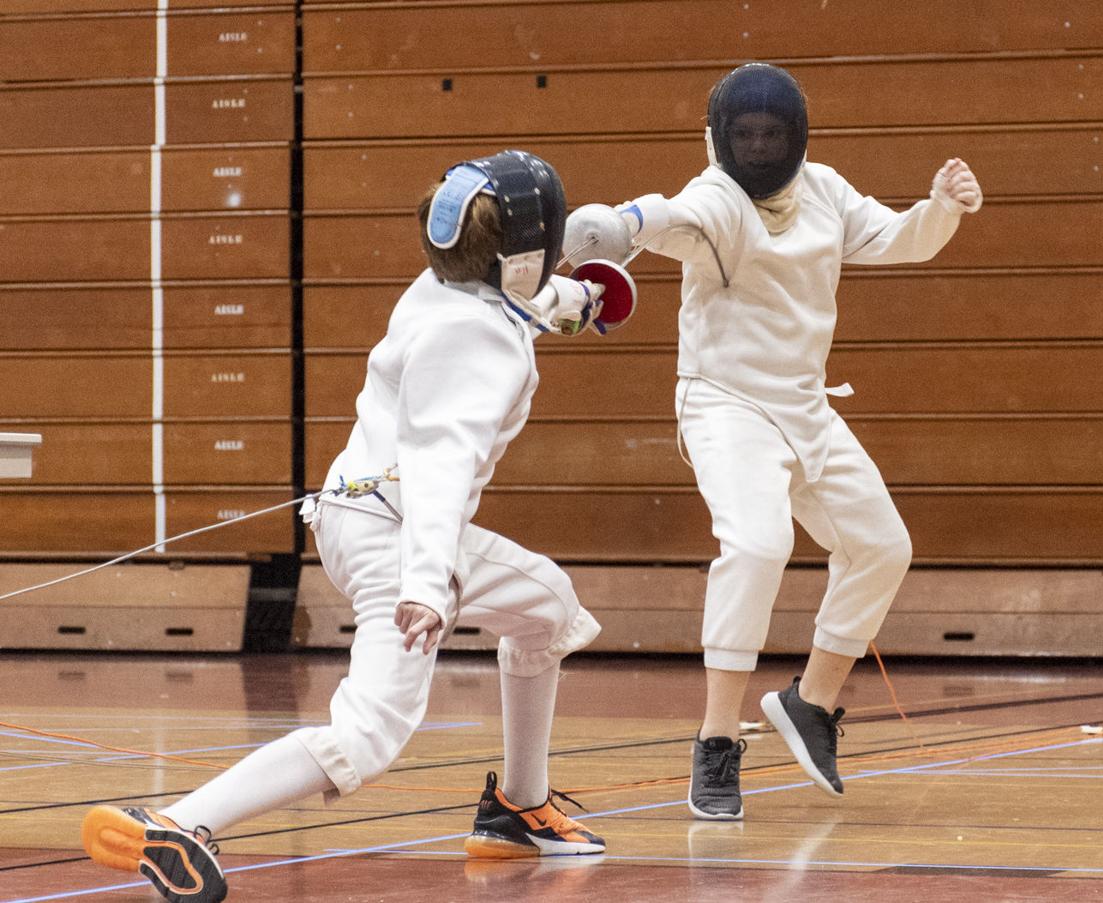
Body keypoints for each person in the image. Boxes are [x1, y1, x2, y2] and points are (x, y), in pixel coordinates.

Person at [81, 150, 610, 903]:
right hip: (401, 536)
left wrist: (577, 300)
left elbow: (517, 296)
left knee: (547, 606)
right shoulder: (475, 341)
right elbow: (440, 464)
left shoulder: (446, 284)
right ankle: (177, 822)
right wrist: (427, 586)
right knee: (368, 733)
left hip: (355, 512)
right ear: (521, 257)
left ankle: (519, 808)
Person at [565, 63, 983, 820]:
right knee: (757, 545)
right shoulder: (717, 202)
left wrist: (940, 208)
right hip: (724, 407)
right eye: (745, 133)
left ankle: (811, 704)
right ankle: (717, 740)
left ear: (796, 137)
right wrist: (618, 226)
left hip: (804, 404)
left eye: (772, 133)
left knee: (882, 545)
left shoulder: (823, 188)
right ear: (720, 139)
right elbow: (663, 216)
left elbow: (894, 239)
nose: (759, 145)